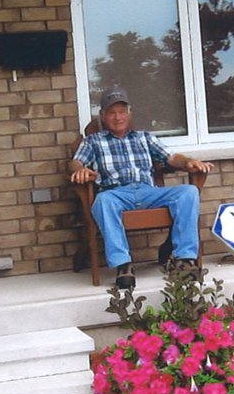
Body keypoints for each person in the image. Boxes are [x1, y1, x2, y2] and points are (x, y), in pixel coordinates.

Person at [70, 86, 214, 288]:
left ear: (129, 114)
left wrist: (189, 161)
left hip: (149, 192)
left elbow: (171, 157)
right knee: (102, 201)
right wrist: (80, 170)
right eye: (112, 113)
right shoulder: (93, 141)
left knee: (188, 192)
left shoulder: (144, 138)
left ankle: (184, 260)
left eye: (122, 112)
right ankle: (123, 265)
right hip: (116, 194)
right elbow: (76, 162)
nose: (117, 117)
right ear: (103, 116)